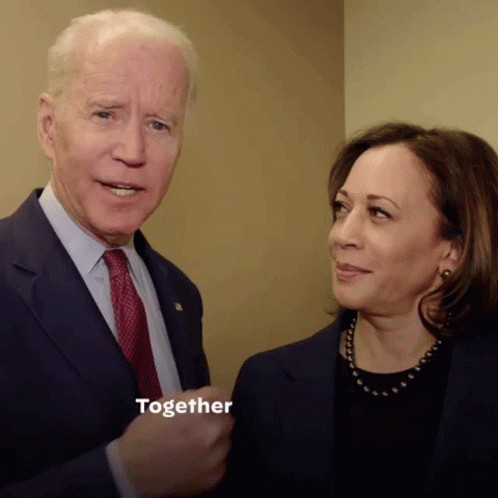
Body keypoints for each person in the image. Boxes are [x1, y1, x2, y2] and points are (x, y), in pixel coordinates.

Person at [0, 9, 232, 497]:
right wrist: (121, 477)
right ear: (49, 127)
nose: (133, 151)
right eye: (106, 114)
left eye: (159, 124)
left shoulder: (181, 294)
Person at [222, 123, 498, 497]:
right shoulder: (265, 385)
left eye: (379, 213)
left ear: (453, 250)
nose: (341, 236)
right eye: (342, 208)